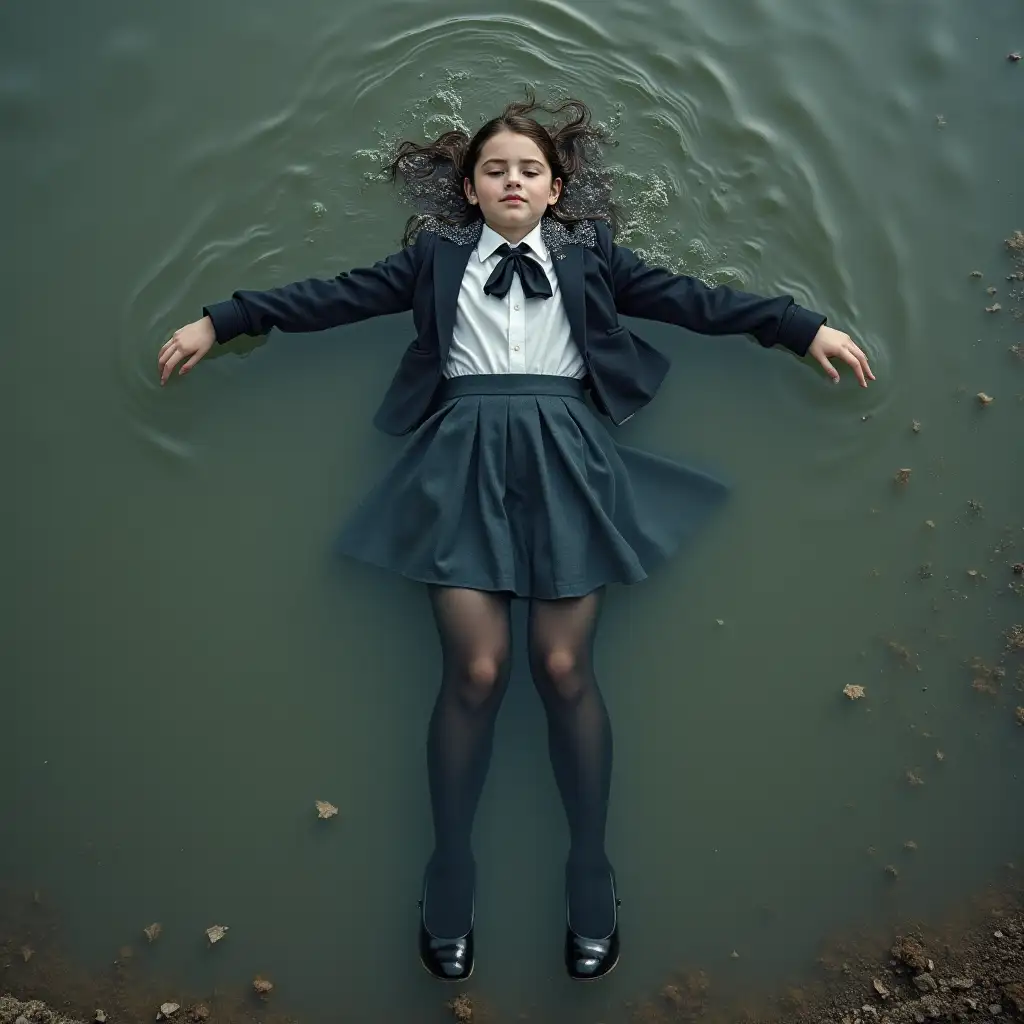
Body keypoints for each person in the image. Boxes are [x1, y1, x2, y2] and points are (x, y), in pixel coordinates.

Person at [157, 91, 874, 984]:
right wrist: (223, 319)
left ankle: (590, 868)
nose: (511, 180)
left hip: (568, 458)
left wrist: (800, 328)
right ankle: (448, 870)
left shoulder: (595, 255)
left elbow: (698, 301)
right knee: (479, 669)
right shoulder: (434, 258)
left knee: (565, 668)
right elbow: (331, 298)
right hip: (458, 460)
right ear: (469, 186)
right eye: (494, 168)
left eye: (528, 169)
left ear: (555, 187)